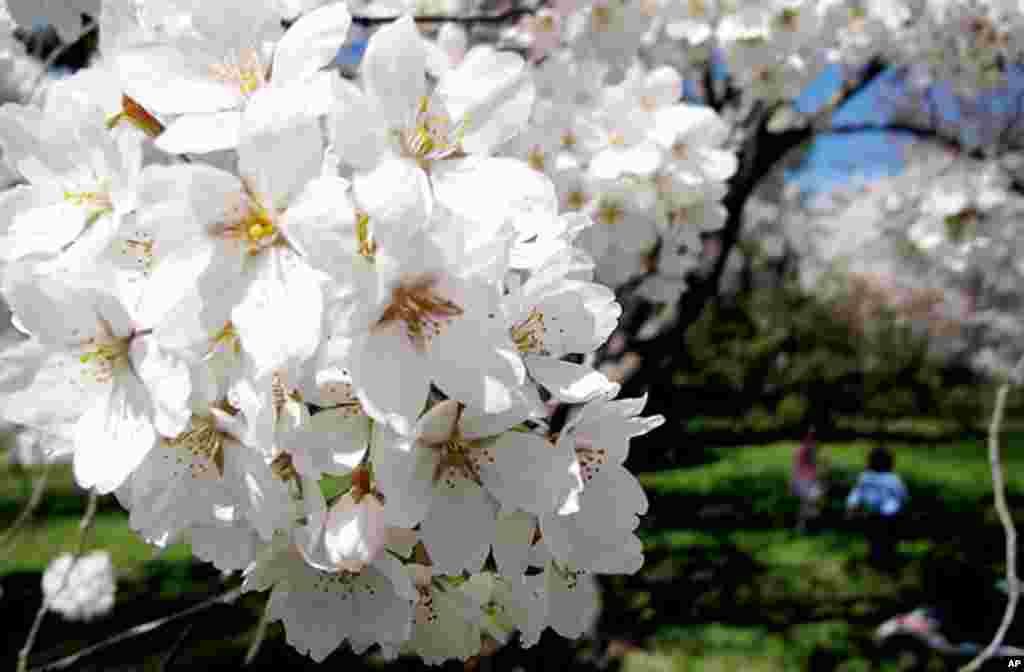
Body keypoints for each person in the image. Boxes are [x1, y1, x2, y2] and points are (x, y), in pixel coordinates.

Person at [847, 445, 909, 566]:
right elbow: (903, 495)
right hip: (890, 515)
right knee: (888, 538)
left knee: (874, 538)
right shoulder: (894, 479)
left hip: (871, 514)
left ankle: (876, 556)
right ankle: (886, 556)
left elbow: (857, 493)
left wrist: (852, 506)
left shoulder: (865, 477)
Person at [791, 426, 824, 532]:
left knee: (813, 501)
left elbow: (815, 466)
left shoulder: (812, 449)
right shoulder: (801, 451)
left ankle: (805, 525)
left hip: (810, 481)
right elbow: (796, 468)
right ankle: (803, 525)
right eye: (810, 435)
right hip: (802, 481)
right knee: (809, 501)